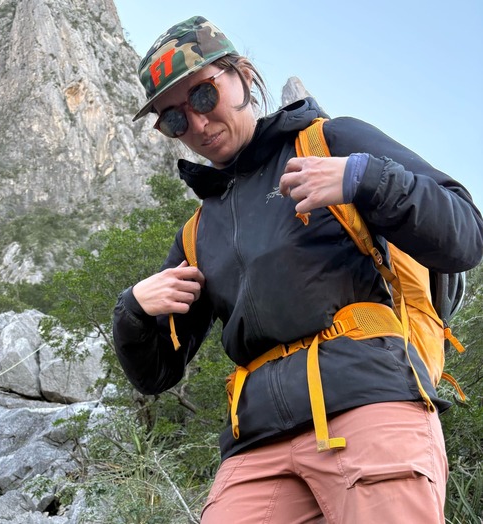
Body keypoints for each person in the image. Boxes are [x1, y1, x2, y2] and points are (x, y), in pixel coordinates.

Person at [112, 15, 483, 524]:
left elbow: (465, 235)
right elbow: (157, 374)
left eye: (202, 96)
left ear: (241, 75)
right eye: (173, 118)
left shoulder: (331, 141)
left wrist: (365, 178)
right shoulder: (198, 233)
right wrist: (132, 310)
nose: (196, 125)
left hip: (368, 404)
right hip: (257, 445)